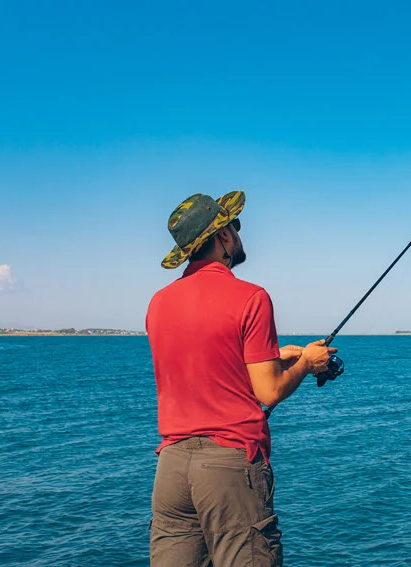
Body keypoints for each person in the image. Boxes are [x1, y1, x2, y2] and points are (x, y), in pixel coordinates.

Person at [145, 191, 336, 566]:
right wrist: (307, 363)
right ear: (223, 237)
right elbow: (269, 390)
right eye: (234, 224)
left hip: (171, 468)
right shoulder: (251, 297)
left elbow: (204, 361)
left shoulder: (158, 303)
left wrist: (275, 356)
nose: (238, 231)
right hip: (229, 466)